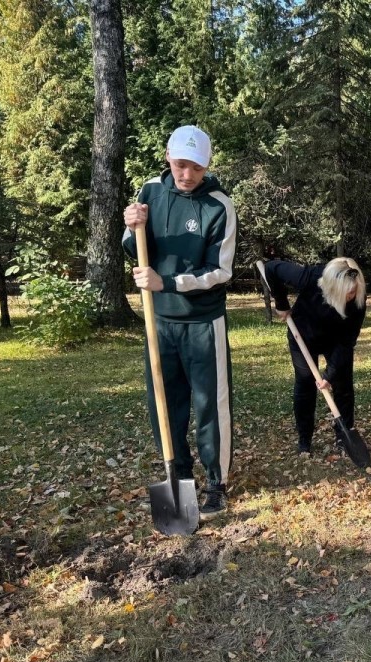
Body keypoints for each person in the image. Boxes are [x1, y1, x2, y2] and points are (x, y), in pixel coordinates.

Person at [122, 125, 237, 518]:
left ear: (206, 167)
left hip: (204, 323)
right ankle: (180, 476)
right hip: (160, 324)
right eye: (180, 165)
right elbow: (134, 248)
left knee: (210, 406)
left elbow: (219, 272)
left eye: (196, 168)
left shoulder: (219, 206)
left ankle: (216, 482)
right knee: (165, 405)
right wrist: (131, 224)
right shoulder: (150, 192)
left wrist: (167, 281)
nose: (187, 174)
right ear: (168, 158)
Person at [256, 257, 366, 454]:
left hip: (336, 340)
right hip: (303, 334)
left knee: (343, 384)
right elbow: (271, 268)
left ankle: (344, 436)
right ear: (333, 288)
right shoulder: (309, 277)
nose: (352, 295)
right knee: (305, 383)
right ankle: (304, 438)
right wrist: (281, 302)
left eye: (354, 291)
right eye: (347, 293)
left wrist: (328, 375)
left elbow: (346, 342)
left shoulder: (358, 300)